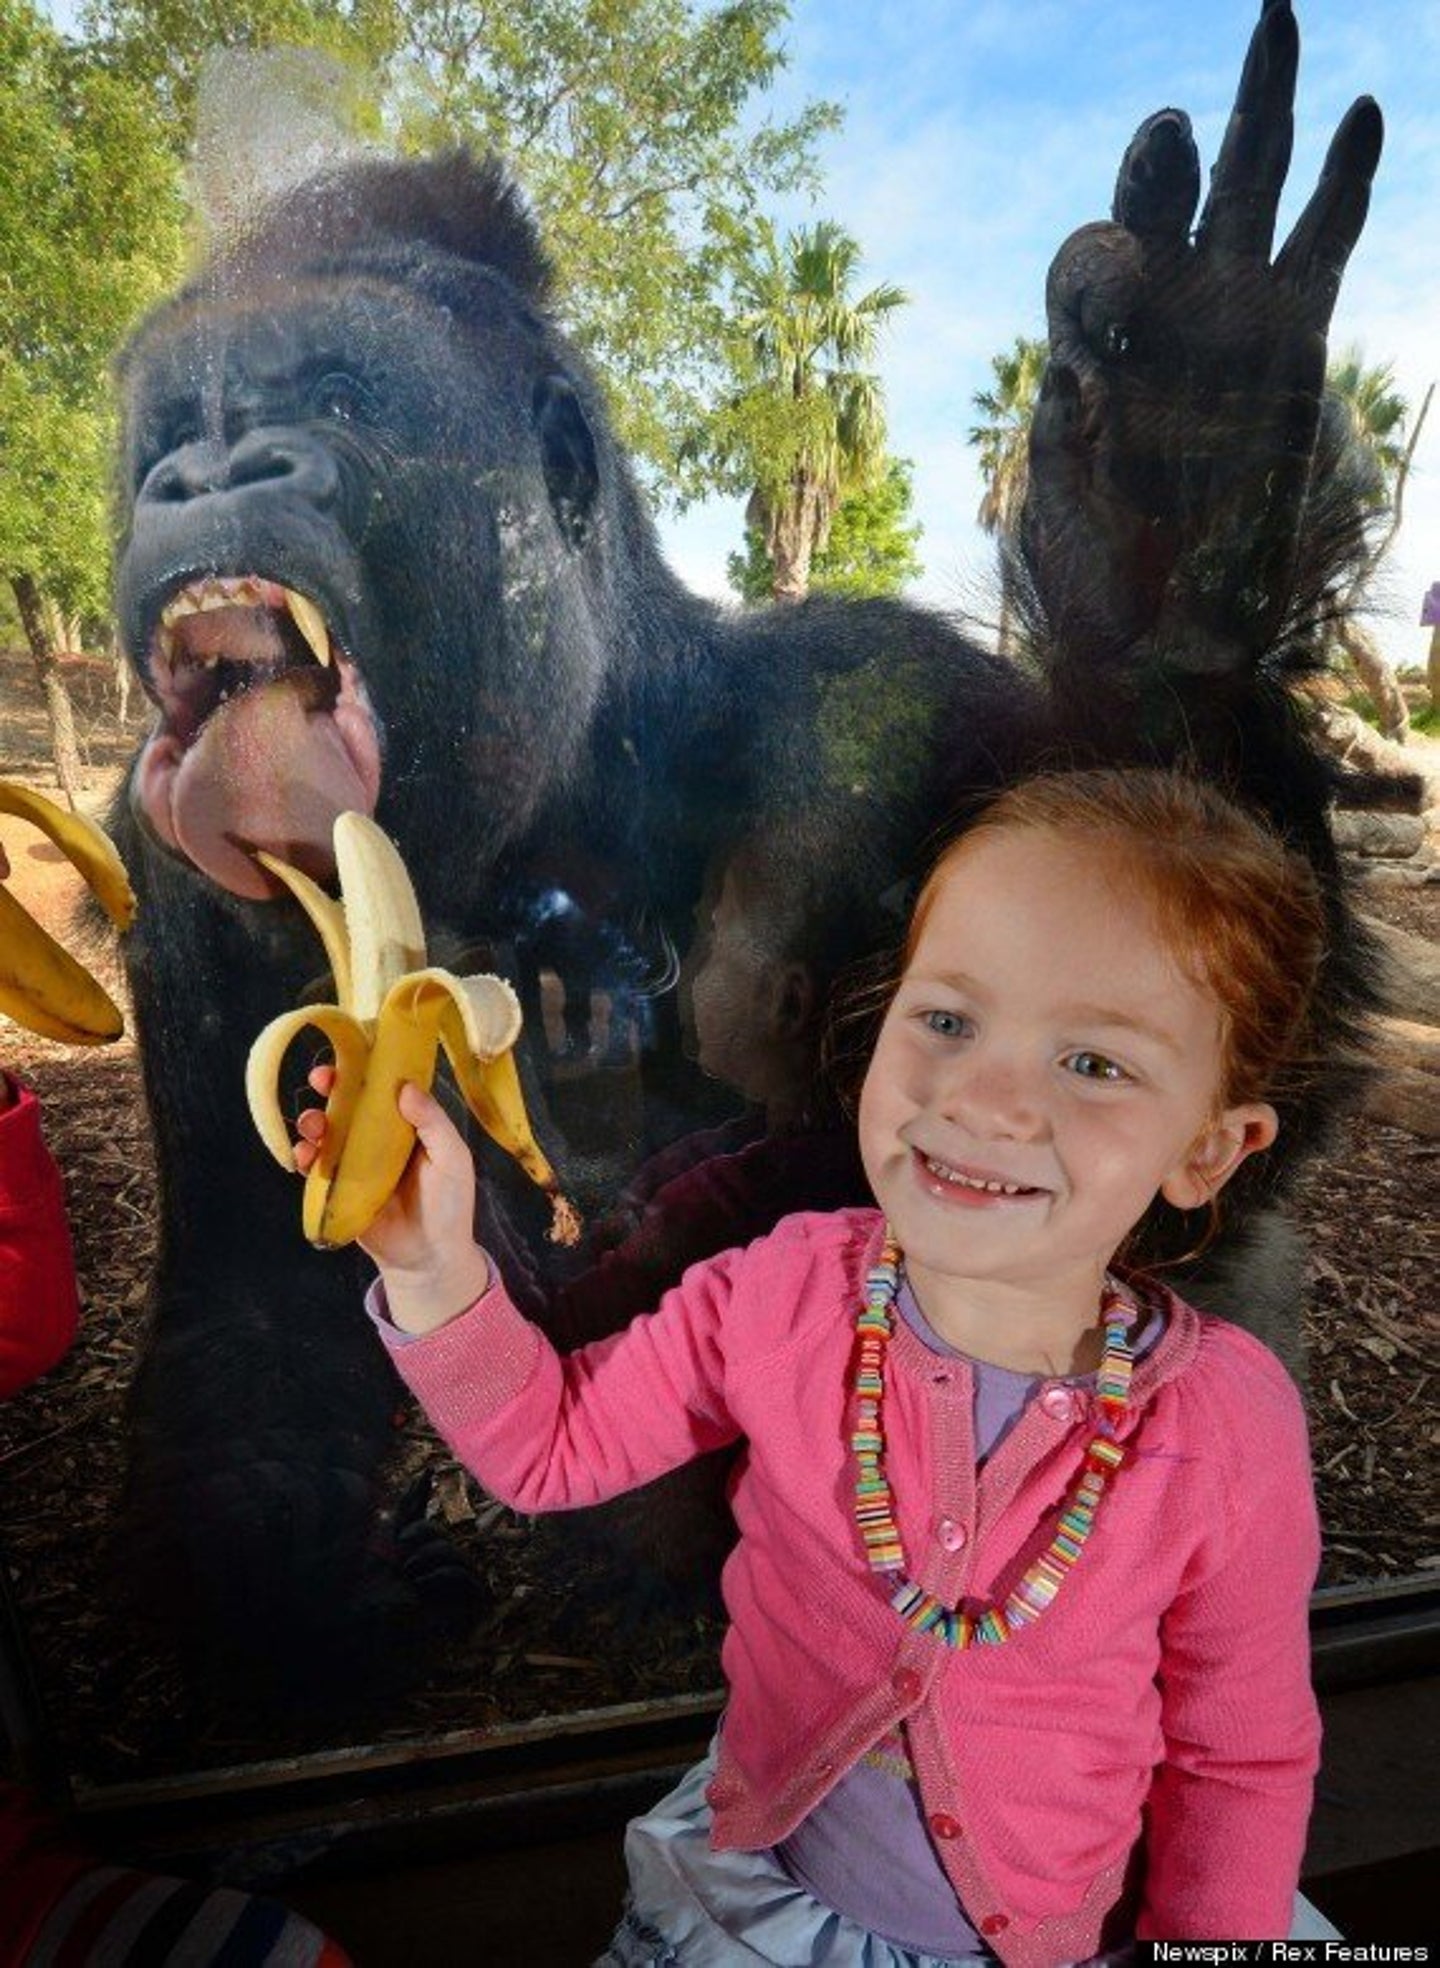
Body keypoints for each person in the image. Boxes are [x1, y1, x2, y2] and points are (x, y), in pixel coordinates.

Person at [296, 767, 1337, 1961]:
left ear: (1208, 1146)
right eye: (948, 1020)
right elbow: (550, 1448)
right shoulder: (779, 1291)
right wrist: (436, 1269)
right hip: (766, 1908)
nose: (984, 1096)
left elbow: (1238, 1757)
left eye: (1093, 1063)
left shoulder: (1225, 1428)